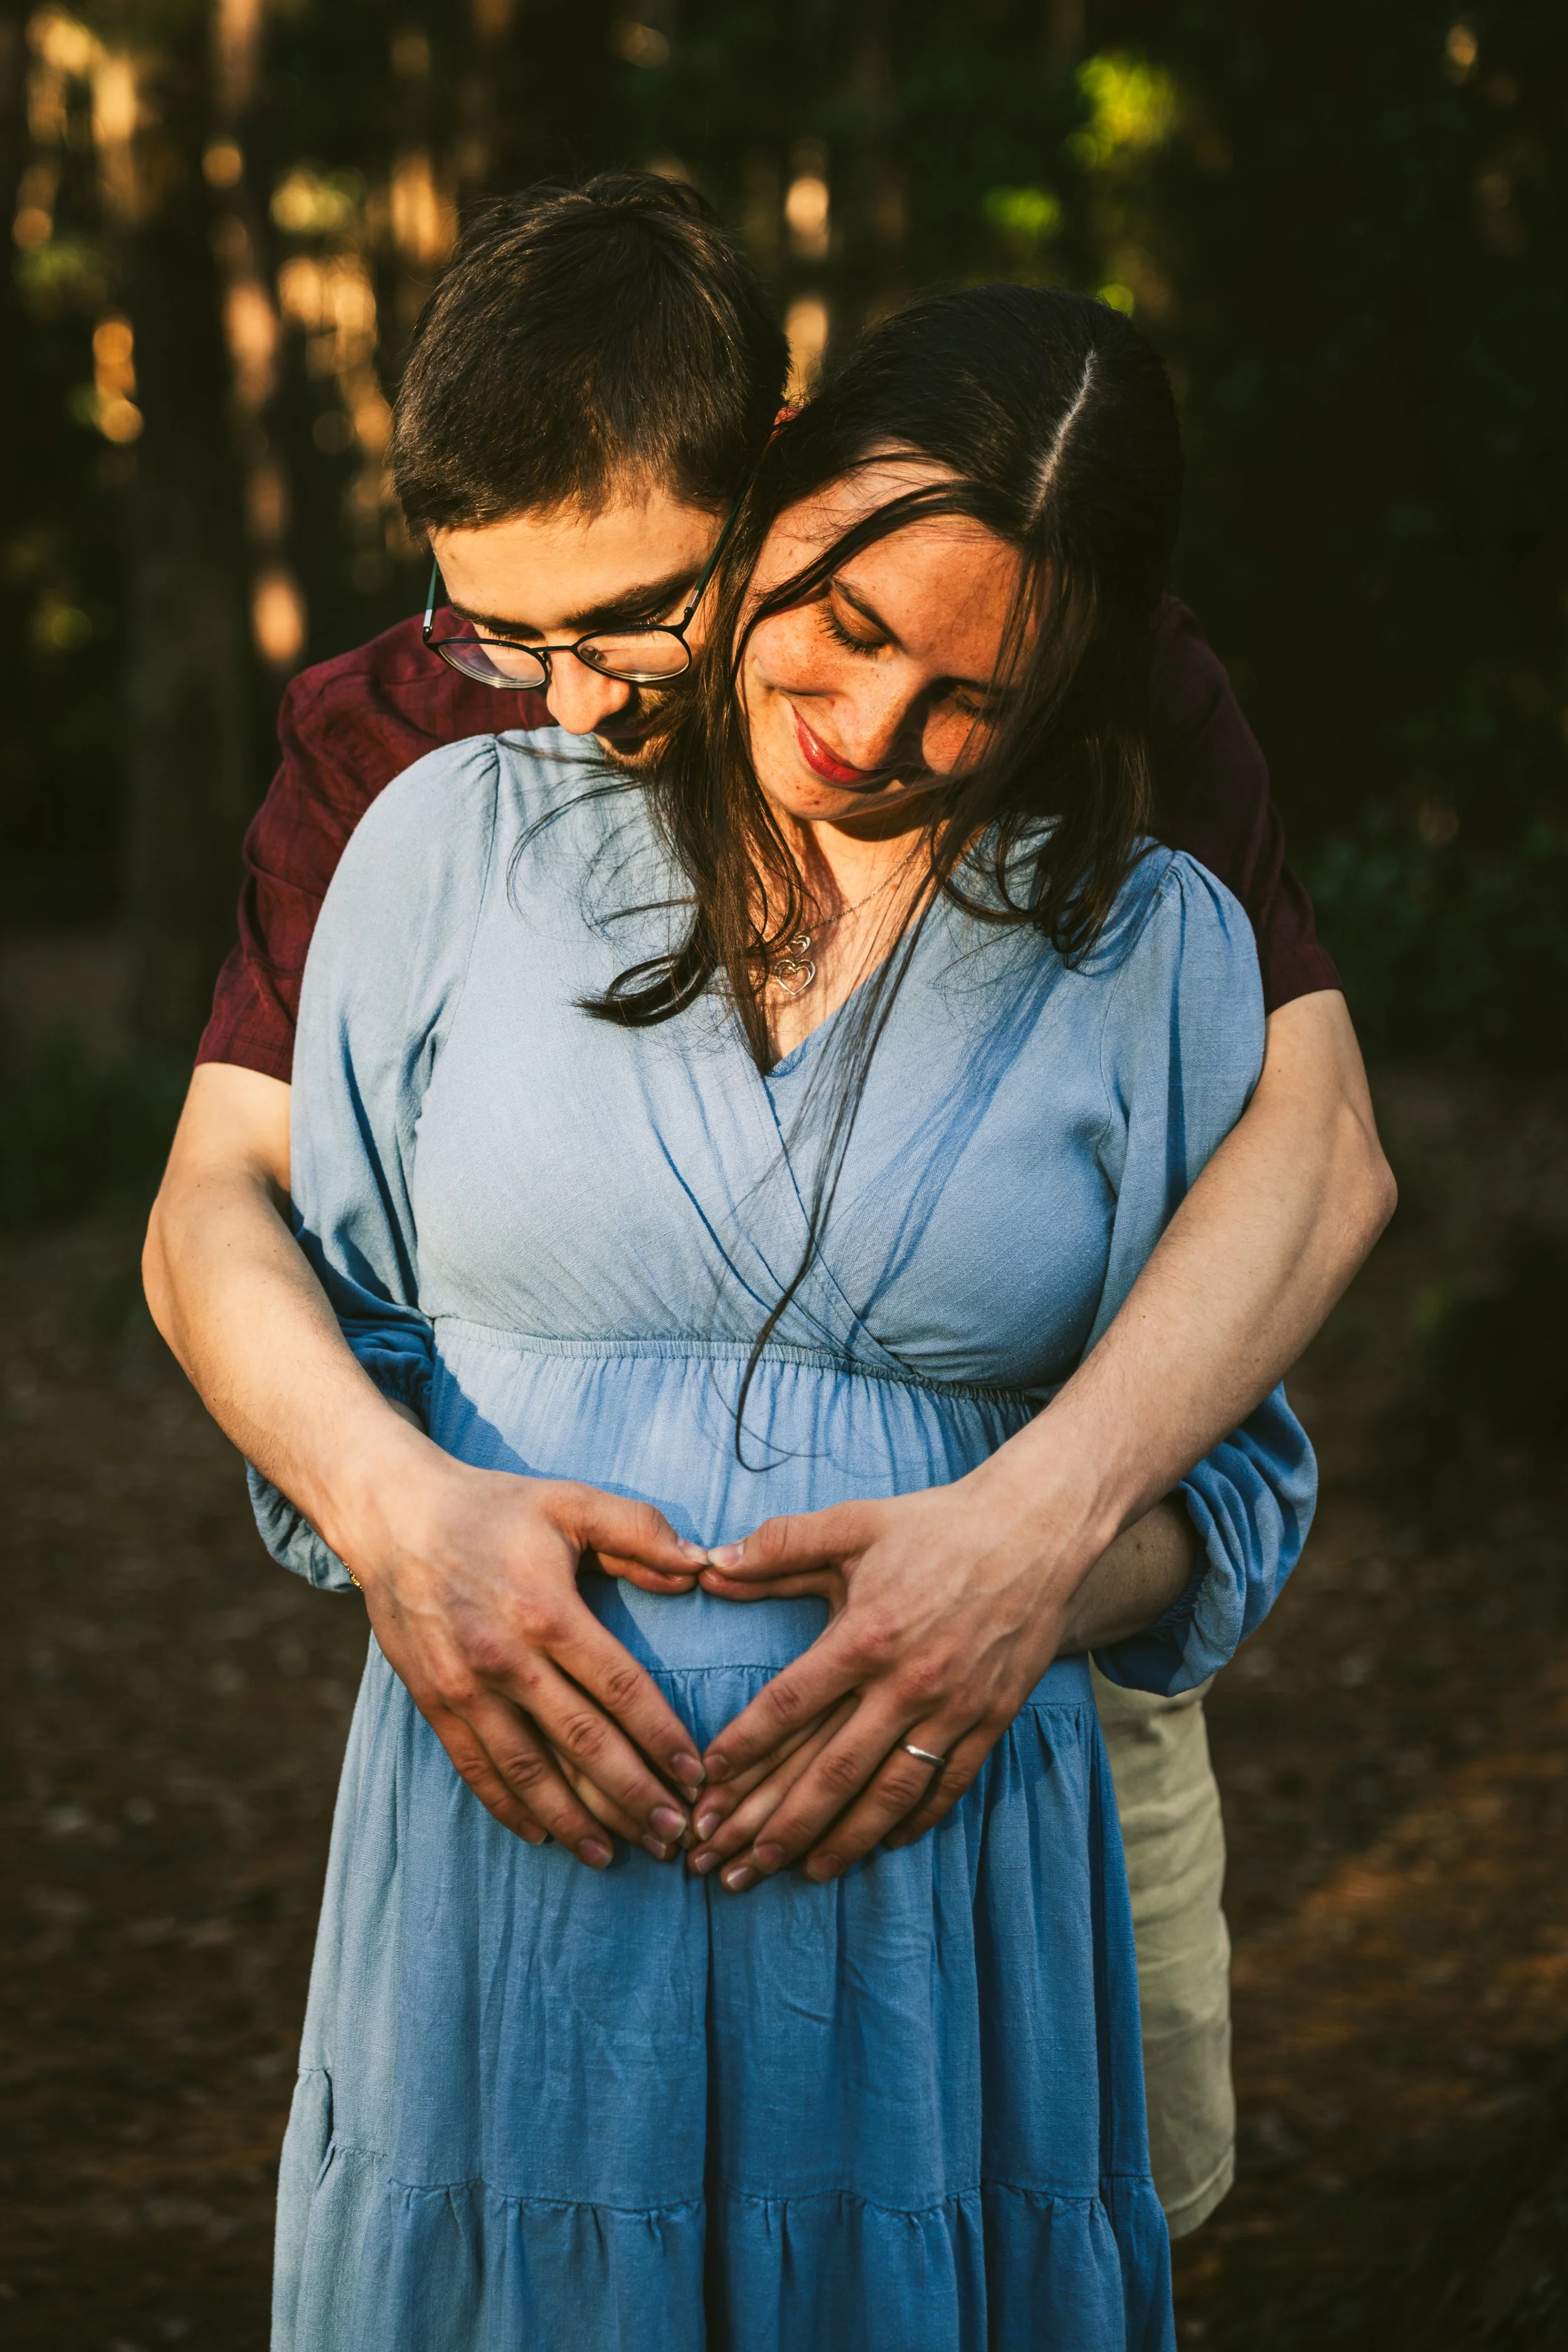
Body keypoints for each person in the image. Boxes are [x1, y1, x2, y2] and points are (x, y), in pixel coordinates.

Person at [141, 176, 1393, 2245]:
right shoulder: (405, 749)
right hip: (538, 1881)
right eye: (498, 628)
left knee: (1095, 2192)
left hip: (1003, 1778)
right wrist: (395, 1510)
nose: (559, 690)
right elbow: (223, 1205)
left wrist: (1033, 1536)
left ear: (775, 479)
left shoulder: (1063, 641)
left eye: (631, 615)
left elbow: (1318, 1144)